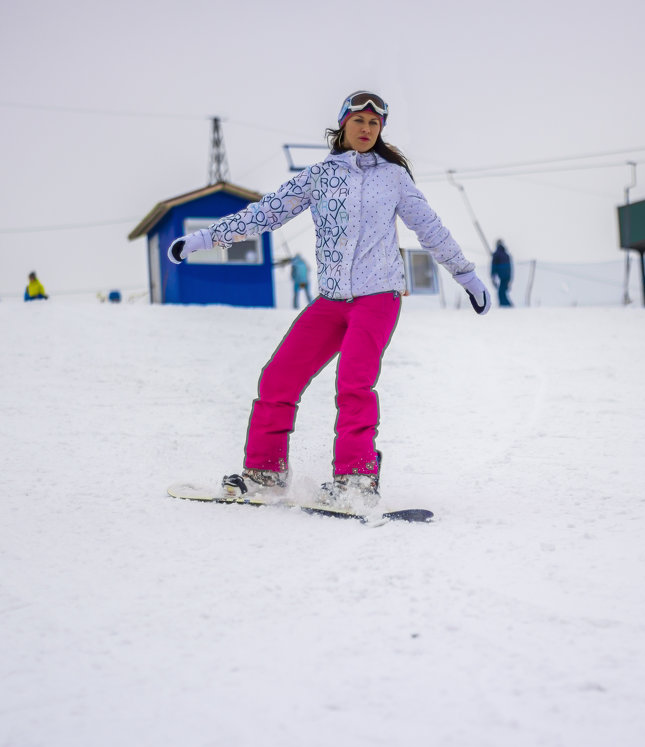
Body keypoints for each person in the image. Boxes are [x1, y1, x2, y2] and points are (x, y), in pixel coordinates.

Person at [167, 90, 491, 510]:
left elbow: (430, 229)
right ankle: (264, 474)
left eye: (374, 124)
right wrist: (203, 239)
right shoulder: (319, 176)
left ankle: (355, 481)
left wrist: (465, 275)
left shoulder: (393, 178)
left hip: (378, 297)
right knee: (278, 377)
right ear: (343, 124)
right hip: (332, 300)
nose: (367, 129)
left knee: (353, 383)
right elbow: (263, 214)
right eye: (359, 121)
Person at [490, 239, 513, 307]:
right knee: (502, 291)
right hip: (507, 276)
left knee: (501, 292)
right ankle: (506, 305)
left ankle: (506, 306)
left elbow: (494, 266)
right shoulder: (506, 254)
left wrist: (493, 276)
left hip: (502, 276)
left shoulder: (496, 254)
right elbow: (510, 267)